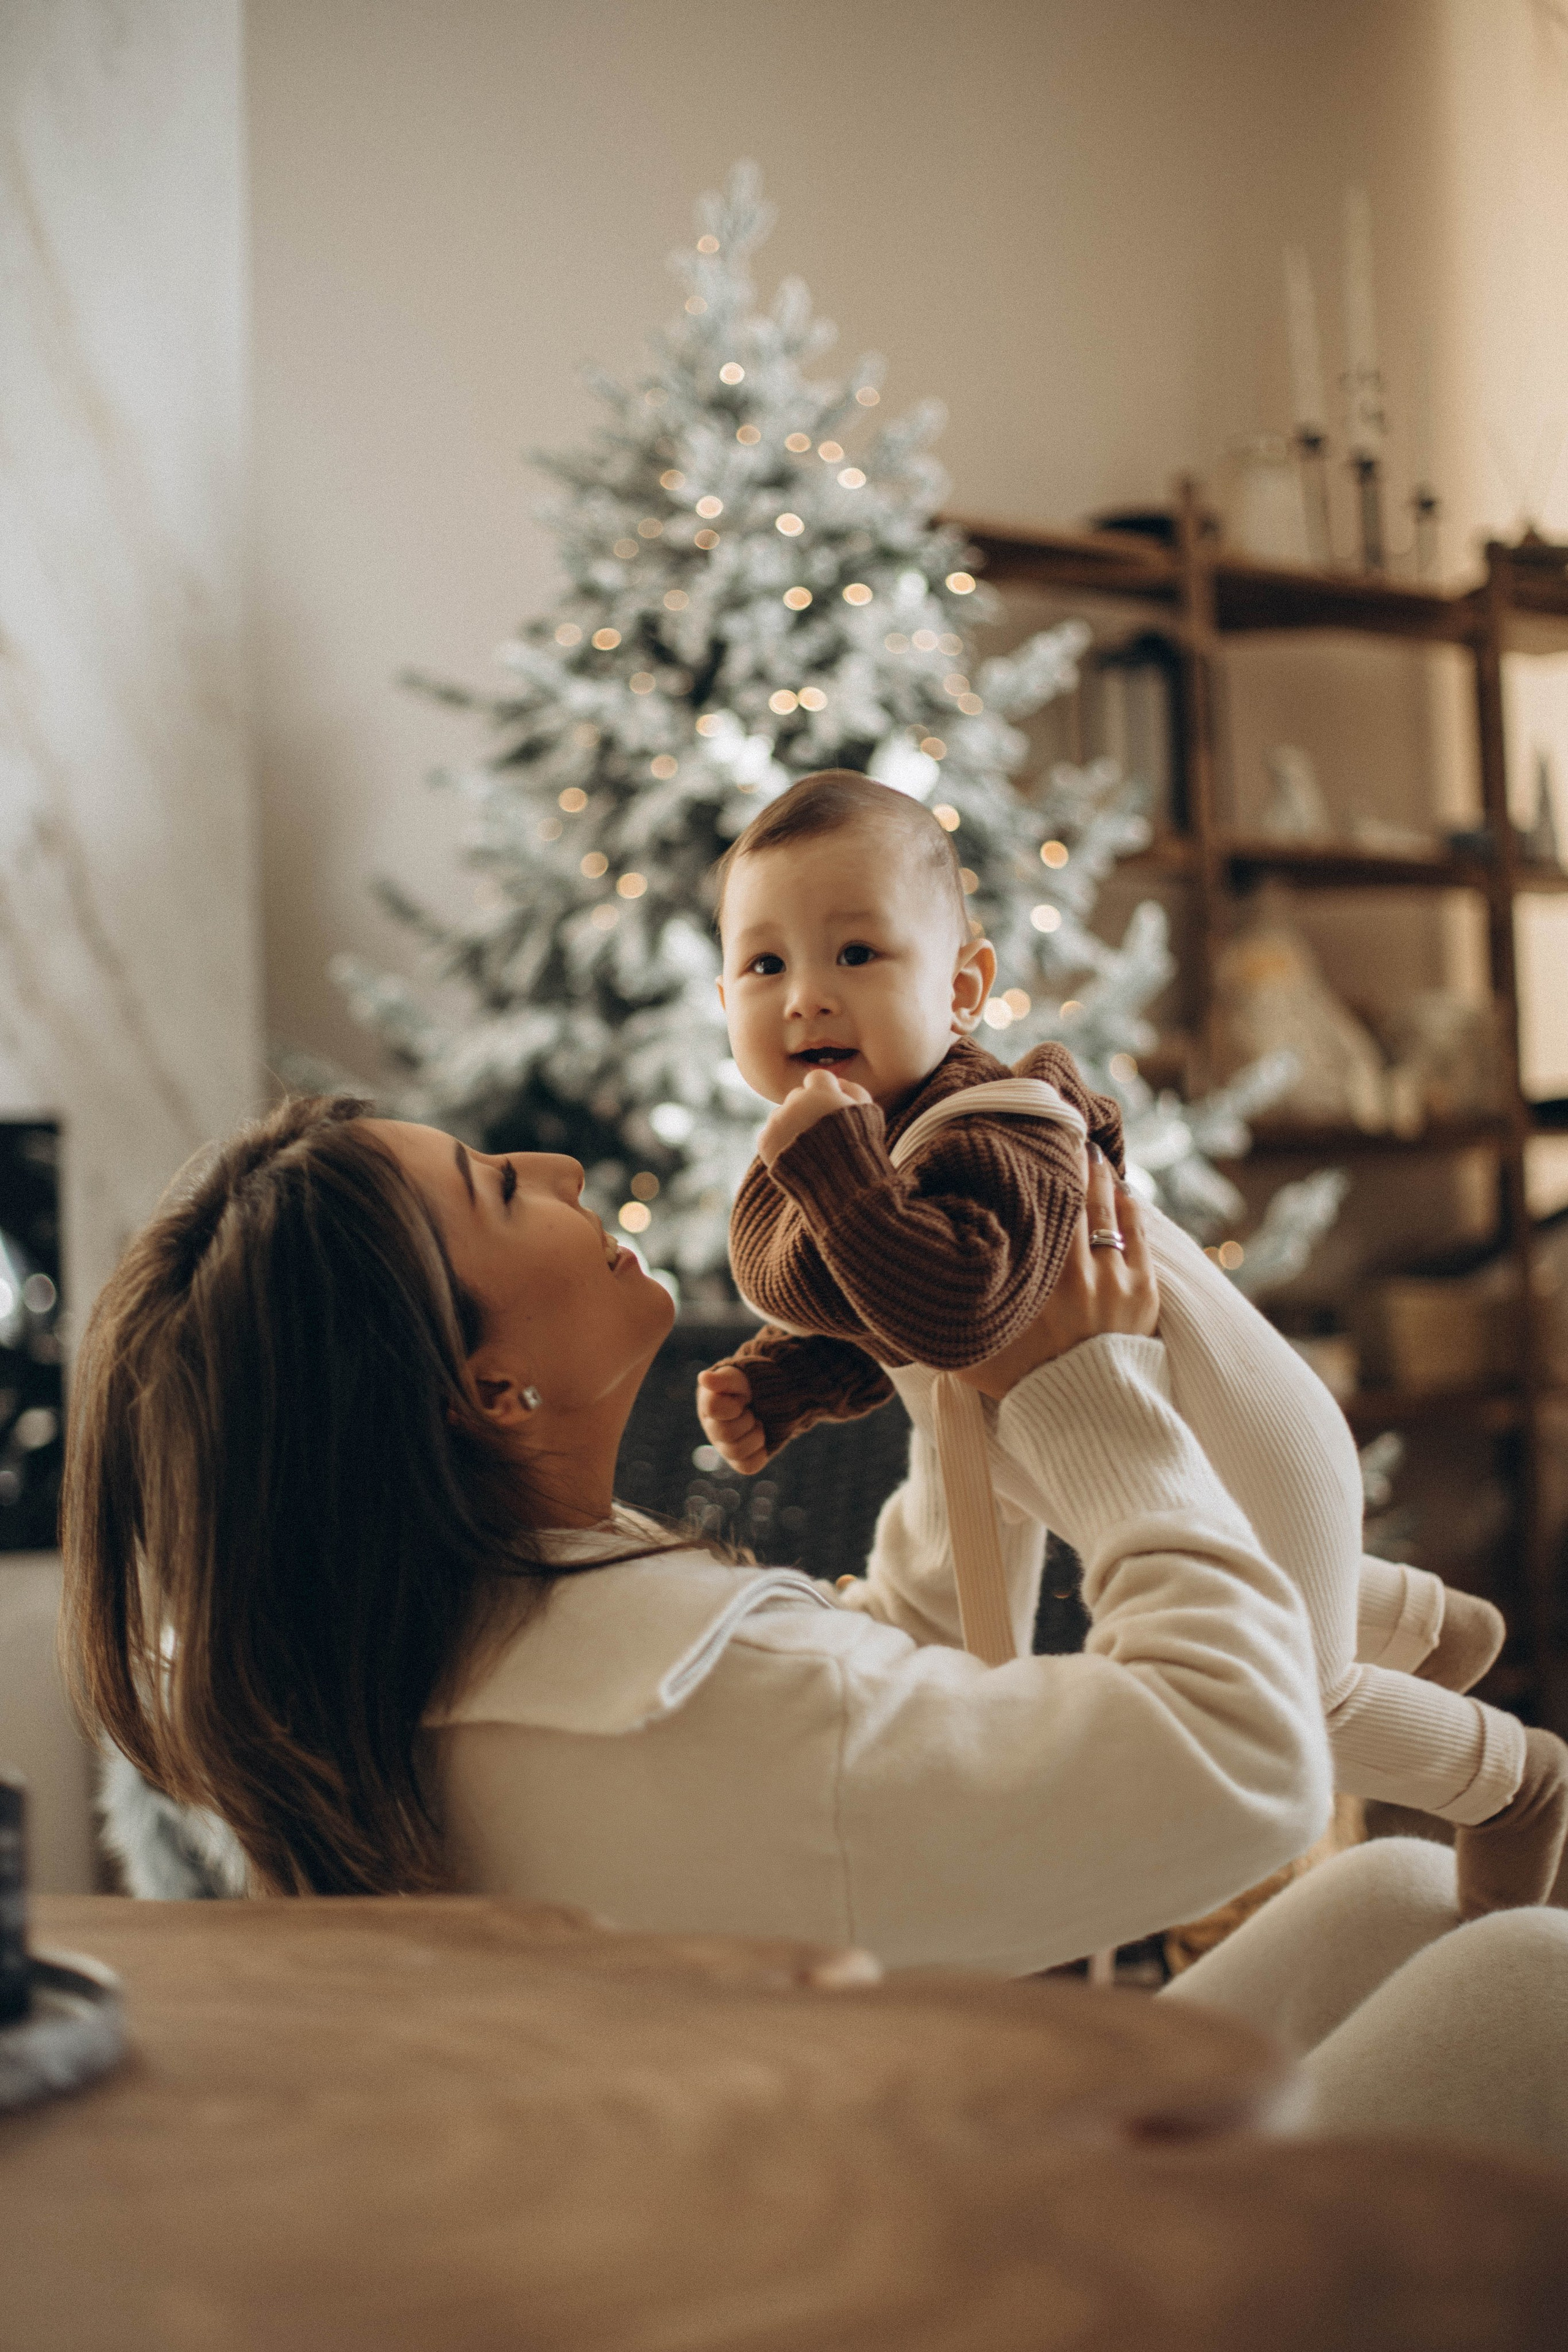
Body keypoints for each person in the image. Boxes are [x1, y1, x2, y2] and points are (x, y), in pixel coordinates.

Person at [61, 1094, 1568, 2163]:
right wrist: (1090, 1394)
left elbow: (876, 1698)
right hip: (937, 2272)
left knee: (1394, 1897)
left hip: (817, 2183)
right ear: (484, 1390)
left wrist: (947, 1372)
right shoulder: (712, 1712)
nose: (554, 1161)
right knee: (1528, 1988)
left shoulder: (465, 1667)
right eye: (496, 1188)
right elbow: (1241, 1763)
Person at [696, 771, 1568, 1923]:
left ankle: (1510, 1781)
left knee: (1287, 1695)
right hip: (1163, 1462)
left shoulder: (998, 1128)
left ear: (963, 989)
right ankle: (1413, 1617)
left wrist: (834, 1178)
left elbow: (958, 1305)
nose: (807, 1000)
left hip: (1244, 1444)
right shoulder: (883, 1152)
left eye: (857, 955)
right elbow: (886, 1316)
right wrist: (791, 1377)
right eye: (766, 967)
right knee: (1273, 1616)